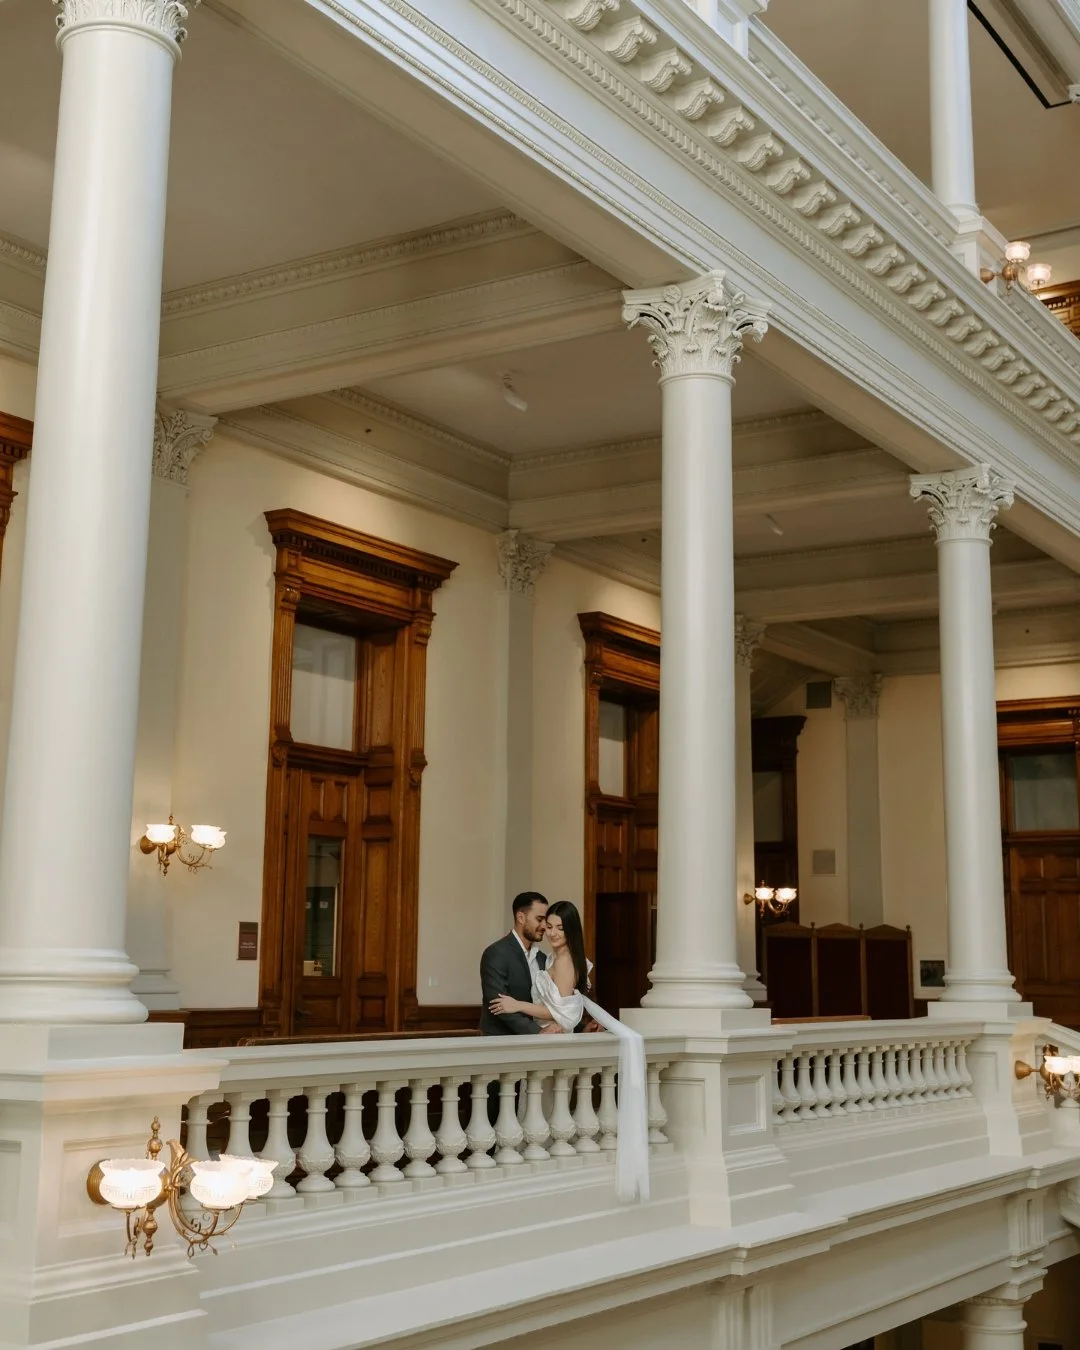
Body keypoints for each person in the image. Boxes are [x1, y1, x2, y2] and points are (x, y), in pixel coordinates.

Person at [487, 899, 650, 1204]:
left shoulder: (565, 961)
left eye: (560, 927)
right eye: (549, 926)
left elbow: (563, 1014)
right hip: (543, 1041)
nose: (552, 932)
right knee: (536, 1107)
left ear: (571, 929)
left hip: (553, 1045)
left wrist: (517, 1004)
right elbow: (572, 1006)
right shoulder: (553, 959)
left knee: (546, 1107)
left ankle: (546, 1173)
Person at [478, 892, 554, 1036]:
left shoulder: (542, 958)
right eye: (539, 919)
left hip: (536, 1044)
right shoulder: (496, 953)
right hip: (500, 1042)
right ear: (521, 918)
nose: (544, 926)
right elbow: (498, 1005)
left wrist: (581, 1027)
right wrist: (538, 1032)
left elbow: (555, 1001)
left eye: (546, 920)